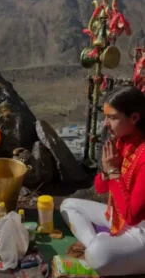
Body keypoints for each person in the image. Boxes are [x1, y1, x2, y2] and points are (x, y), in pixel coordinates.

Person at [60, 85, 145, 276]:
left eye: (112, 117)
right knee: (68, 206)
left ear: (134, 118)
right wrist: (108, 171)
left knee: (99, 253)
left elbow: (133, 216)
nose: (106, 123)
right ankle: (98, 248)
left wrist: (114, 171)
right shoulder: (124, 140)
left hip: (141, 230)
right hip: (120, 217)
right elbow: (100, 188)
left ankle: (100, 251)